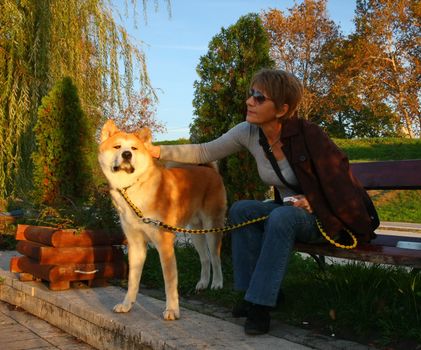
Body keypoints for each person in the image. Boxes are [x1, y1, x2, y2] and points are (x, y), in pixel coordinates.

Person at [147, 68, 378, 335]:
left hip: (325, 219)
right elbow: (204, 150)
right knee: (242, 209)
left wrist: (313, 202)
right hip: (290, 213)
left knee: (281, 216)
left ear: (282, 109)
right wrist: (156, 151)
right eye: (251, 94)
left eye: (259, 98)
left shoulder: (310, 135)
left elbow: (341, 184)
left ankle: (261, 306)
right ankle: (250, 293)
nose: (249, 101)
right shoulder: (249, 132)